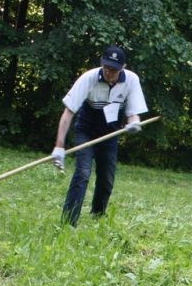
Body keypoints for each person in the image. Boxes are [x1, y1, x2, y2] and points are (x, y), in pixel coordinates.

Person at [51, 46, 148, 226]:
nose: (109, 72)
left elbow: (134, 113)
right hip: (86, 131)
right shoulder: (89, 78)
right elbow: (68, 112)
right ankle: (68, 222)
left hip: (110, 133)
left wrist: (134, 122)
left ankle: (97, 215)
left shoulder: (132, 80)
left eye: (114, 69)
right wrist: (59, 146)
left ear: (123, 67)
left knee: (106, 178)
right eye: (106, 68)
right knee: (83, 173)